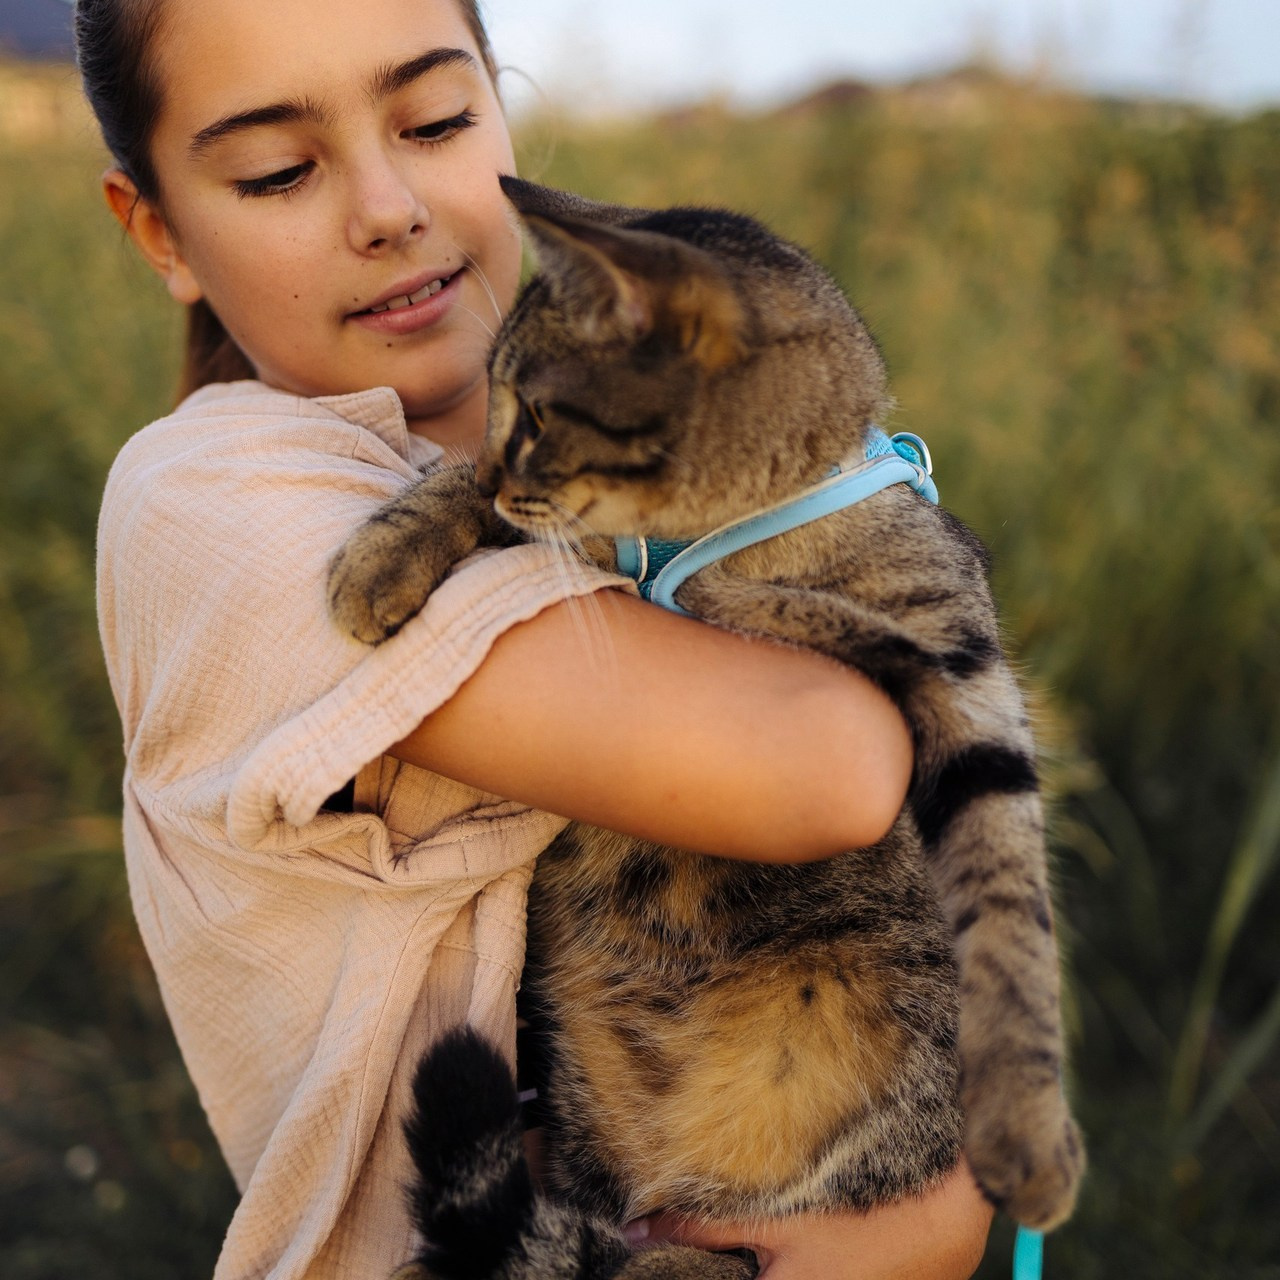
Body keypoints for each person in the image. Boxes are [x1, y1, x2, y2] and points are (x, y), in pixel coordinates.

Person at [78, 0, 994, 1275]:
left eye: (438, 119)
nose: (388, 205)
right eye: (279, 169)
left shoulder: (579, 458)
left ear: (504, 114)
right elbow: (828, 764)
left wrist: (931, 1214)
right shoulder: (212, 506)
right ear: (160, 230)